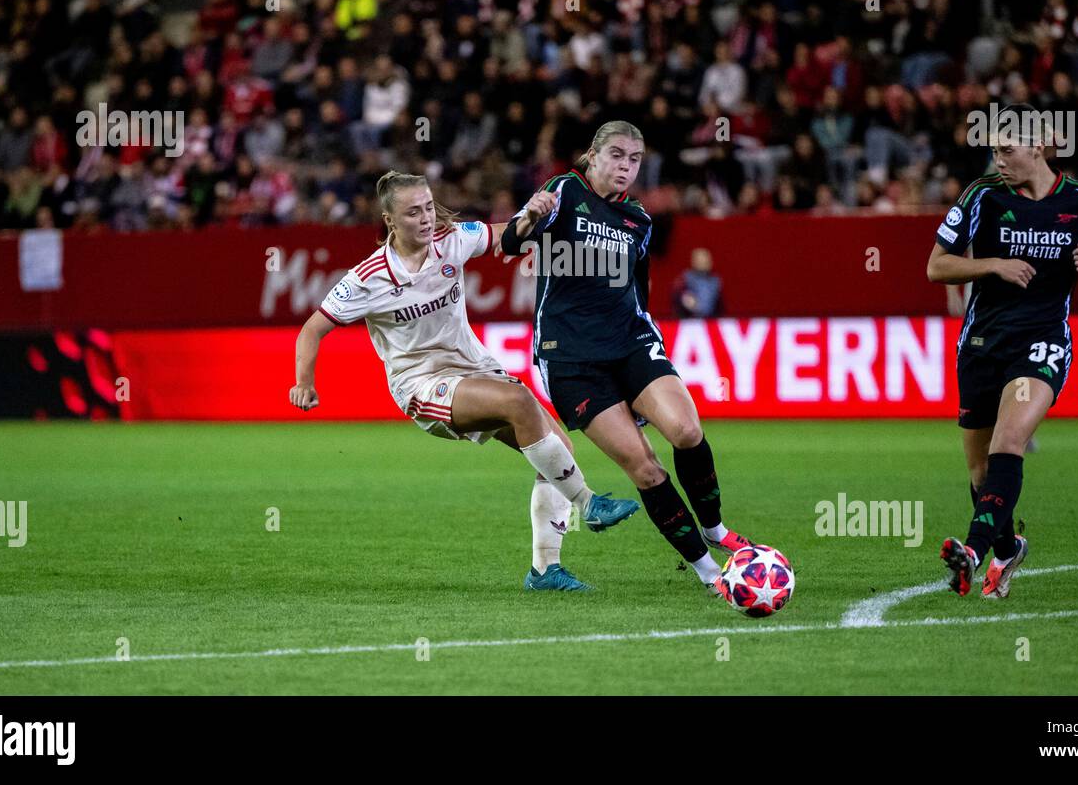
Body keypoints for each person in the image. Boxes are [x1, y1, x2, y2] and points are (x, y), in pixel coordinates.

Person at [290, 171, 640, 591]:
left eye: (428, 207)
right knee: (519, 403)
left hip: (474, 370)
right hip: (421, 385)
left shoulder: (452, 240)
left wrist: (530, 214)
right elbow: (312, 329)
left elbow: (504, 235)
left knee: (557, 449)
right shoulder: (368, 278)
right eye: (412, 212)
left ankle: (545, 570)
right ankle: (590, 503)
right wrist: (304, 383)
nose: (425, 218)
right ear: (389, 220)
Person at [499, 121, 750, 595]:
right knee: (646, 467)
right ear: (592, 155)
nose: (625, 167)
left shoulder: (639, 220)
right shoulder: (564, 192)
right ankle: (709, 573)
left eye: (634, 160)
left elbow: (639, 293)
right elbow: (513, 243)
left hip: (632, 343)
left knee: (687, 430)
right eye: (616, 155)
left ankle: (716, 529)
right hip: (572, 358)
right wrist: (529, 215)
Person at [927, 118, 1078, 598]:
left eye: (1006, 150)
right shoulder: (983, 195)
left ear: (1038, 145)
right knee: (981, 474)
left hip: (1043, 342)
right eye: (994, 151)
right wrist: (992, 264)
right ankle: (1006, 548)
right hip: (981, 344)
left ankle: (973, 554)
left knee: (1011, 439)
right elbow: (937, 265)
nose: (998, 160)